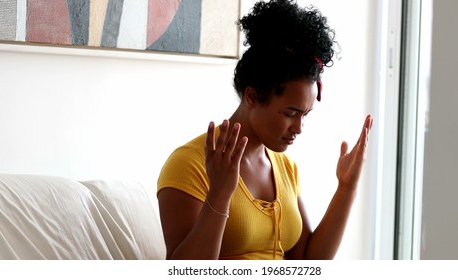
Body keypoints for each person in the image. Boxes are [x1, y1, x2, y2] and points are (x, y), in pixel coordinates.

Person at [157, 0, 373, 260]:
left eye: (305, 115)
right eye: (290, 113)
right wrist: (220, 194)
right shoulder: (190, 165)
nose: (299, 128)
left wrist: (346, 188)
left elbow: (308, 263)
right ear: (252, 97)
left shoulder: (285, 168)